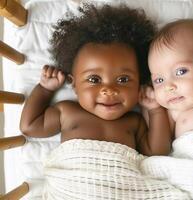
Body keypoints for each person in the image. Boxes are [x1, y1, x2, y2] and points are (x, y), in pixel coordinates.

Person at [19, 4, 172, 156]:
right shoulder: (67, 112)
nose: (109, 90)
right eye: (94, 79)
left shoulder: (134, 122)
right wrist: (45, 89)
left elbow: (158, 152)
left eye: (123, 79)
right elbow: (29, 126)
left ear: (139, 83)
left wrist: (155, 110)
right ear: (74, 83)